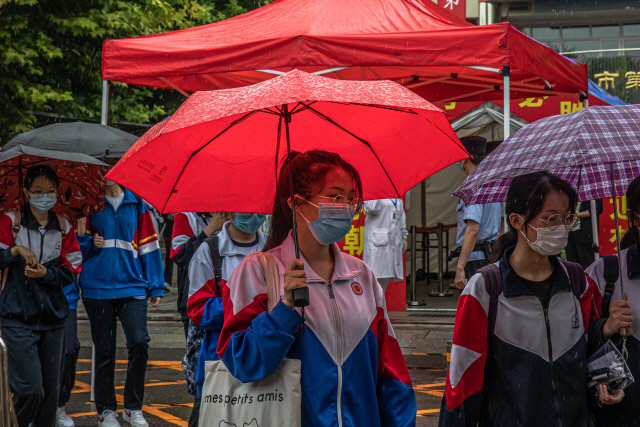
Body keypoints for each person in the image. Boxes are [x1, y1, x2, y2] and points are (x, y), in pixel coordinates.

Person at [217, 150, 416, 427]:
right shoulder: (256, 272)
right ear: (297, 202)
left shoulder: (363, 277)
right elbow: (243, 363)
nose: (345, 207)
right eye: (335, 197)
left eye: (350, 198)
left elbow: (391, 375)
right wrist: (284, 311)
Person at [439, 171, 625, 427]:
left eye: (567, 218)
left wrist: (608, 377)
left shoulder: (578, 282)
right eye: (550, 219)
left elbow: (591, 349)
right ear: (516, 220)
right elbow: (462, 384)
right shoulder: (484, 290)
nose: (561, 228)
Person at [0, 165, 82, 427]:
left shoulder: (64, 225)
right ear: (26, 191)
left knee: (49, 395)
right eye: (37, 191)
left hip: (53, 316)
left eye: (49, 191)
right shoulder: (10, 221)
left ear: (57, 193)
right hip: (16, 315)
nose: (44, 196)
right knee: (30, 389)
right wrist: (15, 251)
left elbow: (72, 268)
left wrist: (47, 273)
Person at [77, 180, 163, 427]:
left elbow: (149, 245)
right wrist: (88, 241)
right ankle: (106, 411)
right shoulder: (88, 206)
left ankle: (132, 407)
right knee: (104, 350)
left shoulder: (138, 205)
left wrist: (155, 284)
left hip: (133, 285)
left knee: (139, 342)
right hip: (97, 288)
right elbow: (77, 250)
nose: (109, 172)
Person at [186, 212, 267, 427]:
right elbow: (198, 310)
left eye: (259, 208)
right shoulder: (210, 251)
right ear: (230, 210)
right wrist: (246, 303)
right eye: (246, 207)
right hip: (219, 359)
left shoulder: (273, 249)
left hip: (265, 356)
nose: (254, 214)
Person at [584, 176, 638, 427]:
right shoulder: (605, 272)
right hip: (623, 412)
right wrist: (605, 327)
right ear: (635, 218)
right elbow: (570, 338)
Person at [454, 136, 502, 289]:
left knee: (473, 307)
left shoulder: (471, 187)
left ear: (464, 159)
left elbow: (473, 229)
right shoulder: (490, 185)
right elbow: (500, 222)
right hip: (491, 255)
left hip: (475, 259)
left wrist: (460, 268)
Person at [171, 212, 228, 338]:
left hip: (226, 299)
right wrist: (210, 230)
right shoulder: (186, 217)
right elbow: (181, 256)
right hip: (195, 299)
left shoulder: (233, 216)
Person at [56, 247, 81, 427]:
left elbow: (77, 260)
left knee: (69, 349)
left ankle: (59, 404)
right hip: (26, 295)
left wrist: (83, 235)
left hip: (65, 296)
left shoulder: (67, 222)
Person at [363, 198, 408, 292]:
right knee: (374, 277)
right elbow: (371, 207)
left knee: (384, 279)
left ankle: (377, 305)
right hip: (376, 244)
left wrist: (404, 236)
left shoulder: (395, 195)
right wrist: (377, 190)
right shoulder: (372, 193)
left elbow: (400, 214)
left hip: (393, 242)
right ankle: (370, 306)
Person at [566, 200, 603, 269]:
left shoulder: (591, 191)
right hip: (570, 231)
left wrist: (577, 215)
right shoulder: (569, 192)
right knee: (571, 263)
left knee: (586, 262)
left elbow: (597, 208)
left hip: (585, 233)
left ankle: (586, 279)